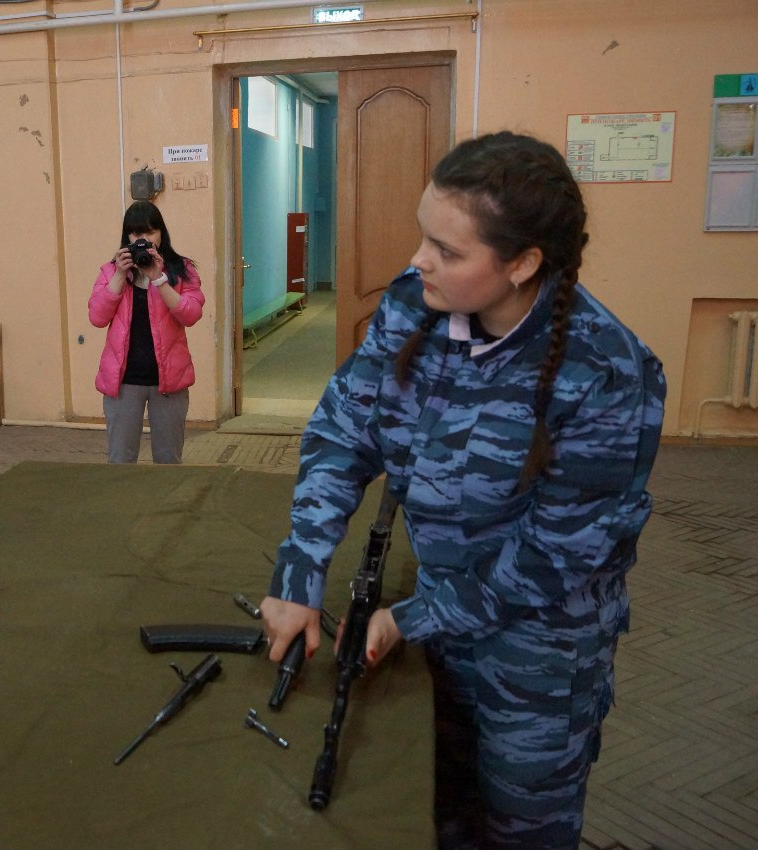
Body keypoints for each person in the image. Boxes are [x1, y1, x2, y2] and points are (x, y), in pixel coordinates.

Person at [260, 132, 665, 849]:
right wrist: (300, 570)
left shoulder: (606, 375)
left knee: (518, 824)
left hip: (536, 653)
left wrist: (413, 618)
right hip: (437, 614)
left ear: (522, 263)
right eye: (424, 237)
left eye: (448, 250)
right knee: (437, 807)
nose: (419, 261)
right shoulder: (414, 305)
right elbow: (345, 430)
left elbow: (554, 559)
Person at [88, 201, 205, 464]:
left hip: (169, 382)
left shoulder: (181, 270)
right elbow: (96, 317)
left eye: (150, 232)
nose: (144, 240)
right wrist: (119, 275)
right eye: (136, 234)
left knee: (168, 460)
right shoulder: (110, 271)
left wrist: (159, 278)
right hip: (123, 381)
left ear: (161, 233)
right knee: (120, 460)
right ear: (127, 237)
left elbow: (191, 314)